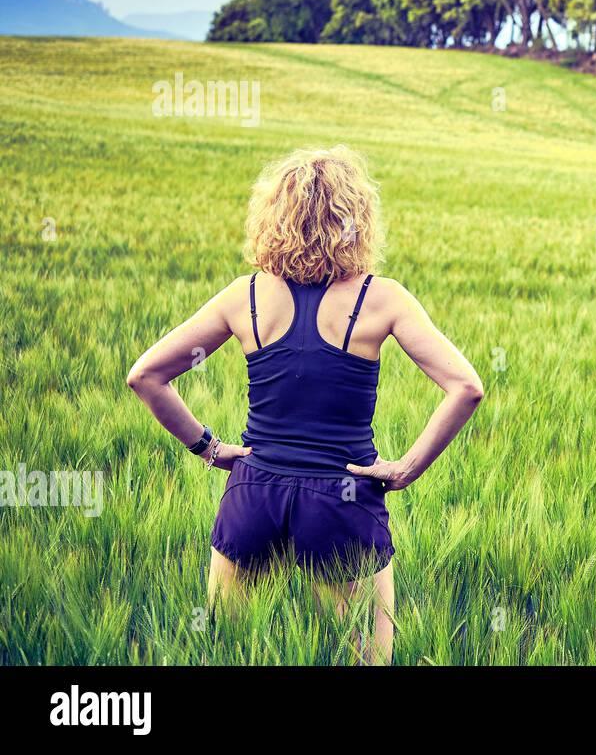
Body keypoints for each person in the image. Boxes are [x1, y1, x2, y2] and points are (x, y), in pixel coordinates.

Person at [127, 145, 483, 663]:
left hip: (254, 493)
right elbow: (466, 387)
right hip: (340, 501)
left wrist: (210, 448)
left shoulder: (243, 296)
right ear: (355, 219)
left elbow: (145, 375)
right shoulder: (382, 299)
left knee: (232, 654)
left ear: (274, 218)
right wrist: (406, 468)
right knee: (366, 660)